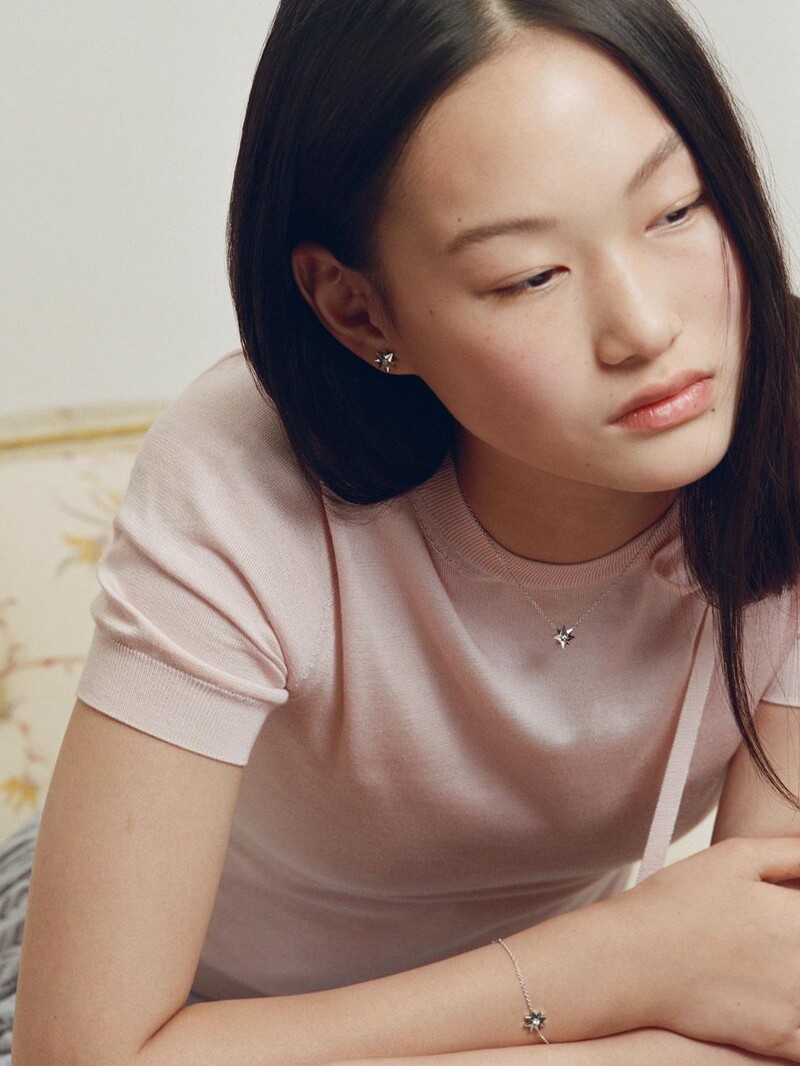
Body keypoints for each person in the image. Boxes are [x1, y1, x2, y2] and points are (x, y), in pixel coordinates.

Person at [9, 0, 800, 1064]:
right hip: (161, 996)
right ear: (359, 310)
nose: (645, 327)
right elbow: (86, 1052)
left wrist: (639, 975)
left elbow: (767, 997)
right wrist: (617, 958)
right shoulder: (245, 480)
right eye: (528, 275)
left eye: (675, 210)